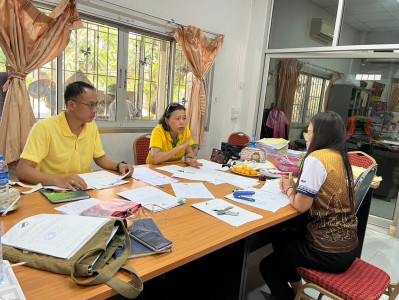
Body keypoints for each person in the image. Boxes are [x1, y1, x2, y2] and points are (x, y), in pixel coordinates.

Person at [259, 111, 358, 300]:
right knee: (282, 237)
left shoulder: (316, 158)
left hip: (328, 251)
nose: (306, 137)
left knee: (268, 267)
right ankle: (298, 293)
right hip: (348, 247)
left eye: (309, 132)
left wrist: (289, 188)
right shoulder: (341, 157)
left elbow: (300, 205)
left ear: (320, 135)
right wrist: (297, 187)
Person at [16, 81, 133, 191]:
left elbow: (100, 158)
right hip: (52, 188)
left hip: (81, 187)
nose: (95, 110)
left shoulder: (91, 126)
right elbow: (23, 171)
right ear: (71, 105)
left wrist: (119, 166)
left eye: (96, 105)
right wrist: (59, 180)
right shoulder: (44, 128)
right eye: (90, 105)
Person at [146, 102, 202, 168]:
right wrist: (180, 147)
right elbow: (155, 159)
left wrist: (189, 158)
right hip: (155, 168)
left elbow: (189, 152)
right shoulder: (158, 131)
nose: (182, 122)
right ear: (167, 121)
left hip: (175, 168)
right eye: (177, 118)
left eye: (184, 118)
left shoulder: (185, 129)